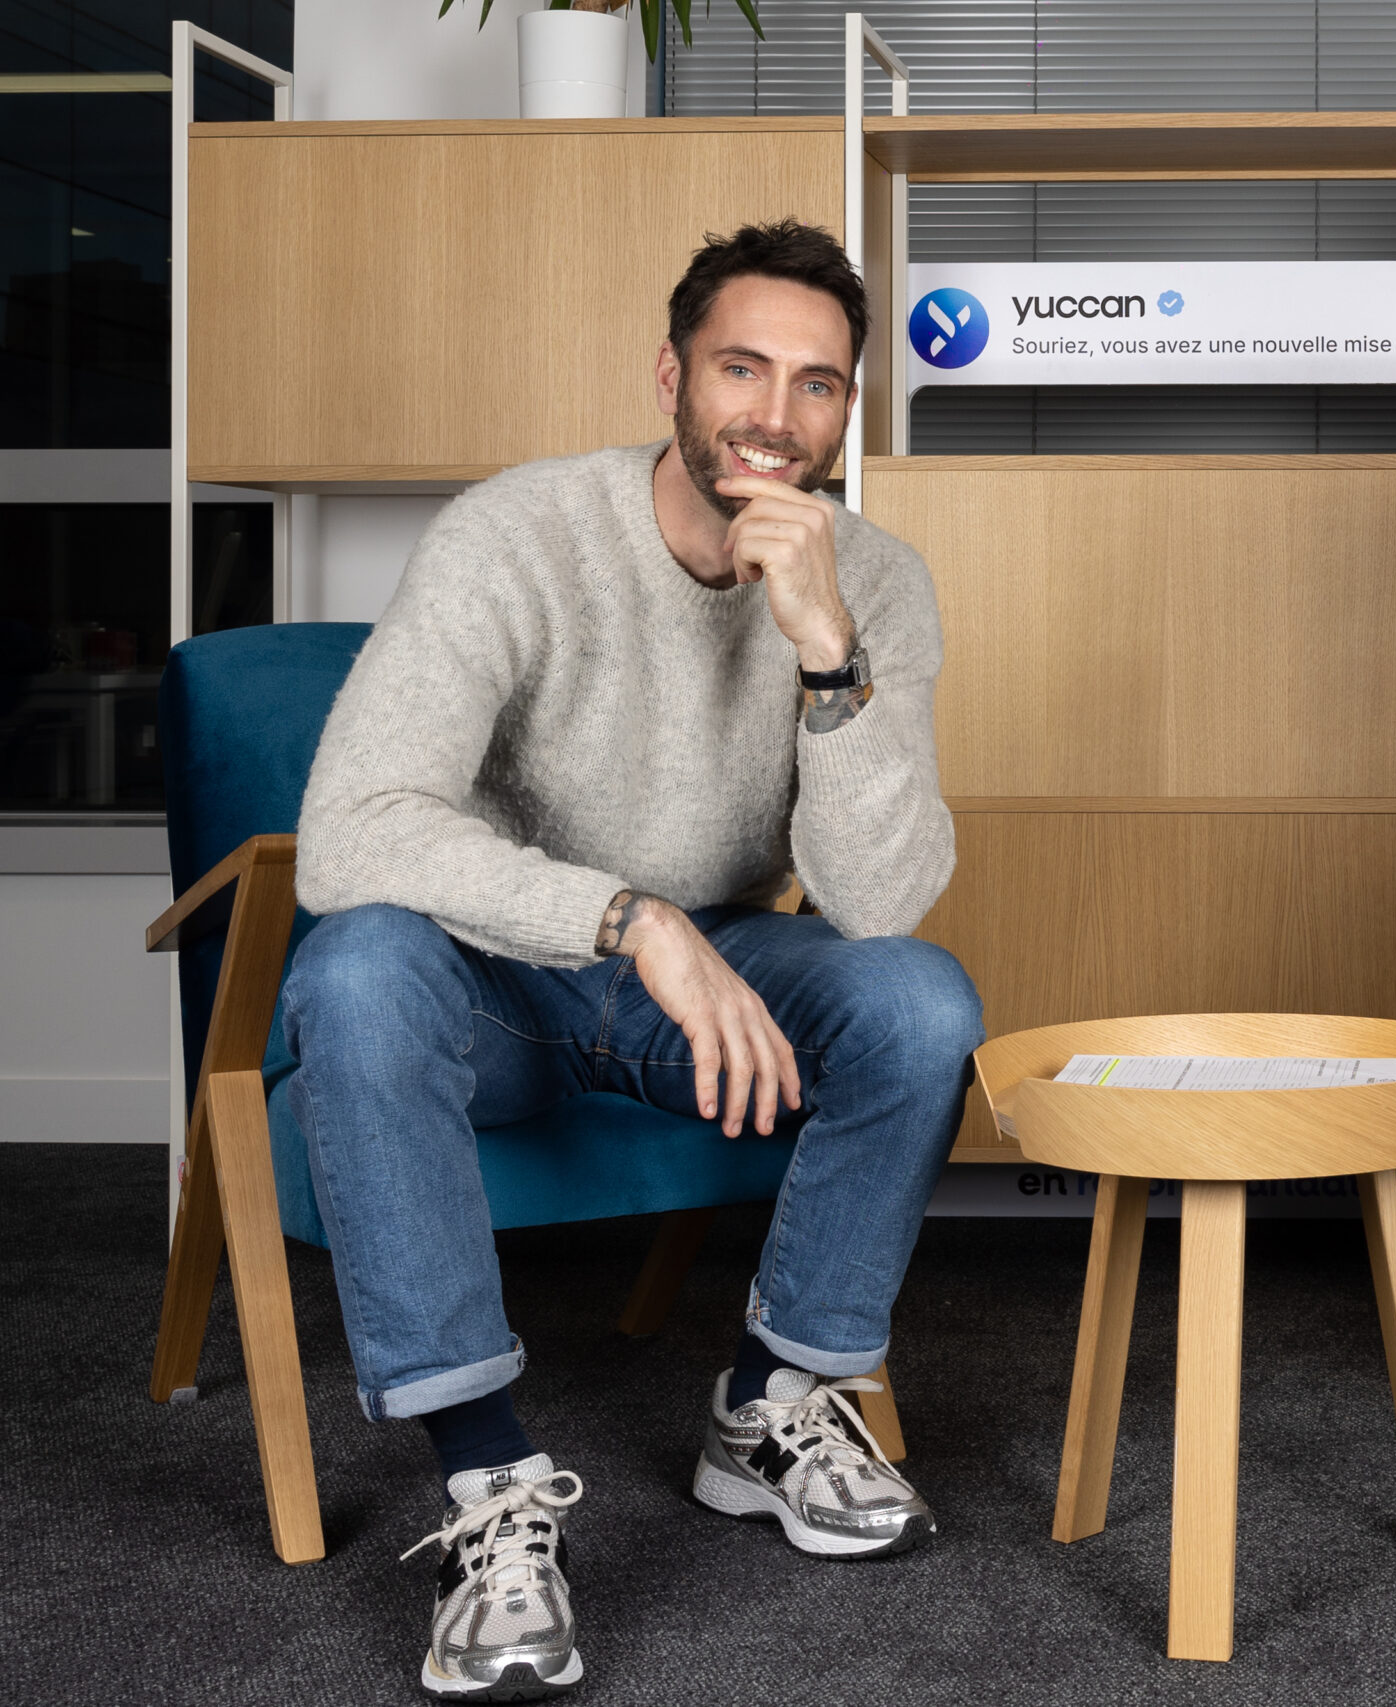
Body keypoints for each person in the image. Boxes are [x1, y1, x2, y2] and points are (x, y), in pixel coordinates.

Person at [282, 219, 983, 1699]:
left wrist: (827, 655)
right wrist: (630, 920)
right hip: (492, 972)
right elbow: (350, 832)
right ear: (672, 375)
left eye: (815, 384)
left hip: (707, 979)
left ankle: (772, 1406)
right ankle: (488, 1488)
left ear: (848, 409)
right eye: (741, 369)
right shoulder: (518, 533)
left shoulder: (875, 581)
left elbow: (881, 904)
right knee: (353, 968)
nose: (774, 416)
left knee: (920, 1006)